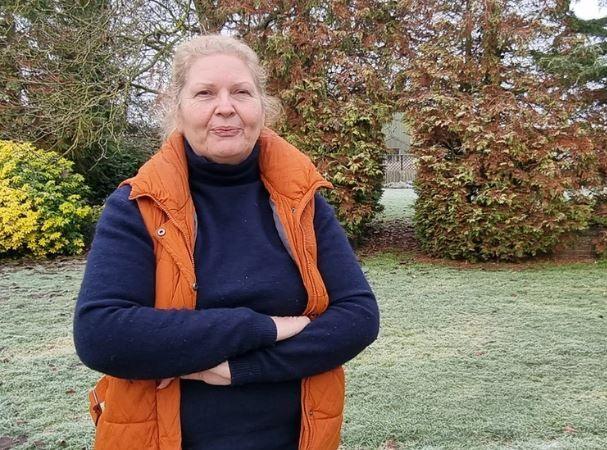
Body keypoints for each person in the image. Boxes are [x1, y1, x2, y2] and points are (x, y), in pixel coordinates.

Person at [73, 34, 380, 450]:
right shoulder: (137, 205)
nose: (226, 107)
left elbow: (358, 316)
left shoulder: (301, 200)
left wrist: (237, 367)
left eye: (241, 92)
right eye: (204, 93)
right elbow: (102, 334)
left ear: (261, 106)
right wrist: (266, 327)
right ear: (176, 107)